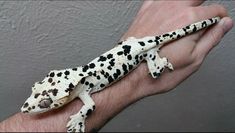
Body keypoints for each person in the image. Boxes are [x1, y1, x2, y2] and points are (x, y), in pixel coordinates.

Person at [0, 0, 233, 132]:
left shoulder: (82, 92)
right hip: (131, 45)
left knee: (155, 61)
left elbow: (89, 108)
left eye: (43, 103)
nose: (36, 105)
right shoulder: (79, 83)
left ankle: (155, 56)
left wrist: (79, 118)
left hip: (144, 49)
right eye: (41, 99)